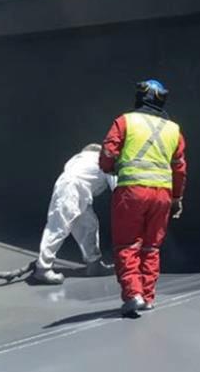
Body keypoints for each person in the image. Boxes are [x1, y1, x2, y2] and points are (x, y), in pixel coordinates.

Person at [98, 79, 186, 317]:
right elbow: (179, 168)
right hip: (162, 195)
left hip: (132, 192)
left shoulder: (125, 121)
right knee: (151, 246)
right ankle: (147, 297)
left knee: (127, 245)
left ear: (140, 97)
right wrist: (177, 198)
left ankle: (133, 294)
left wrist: (109, 167)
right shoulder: (174, 130)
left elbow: (108, 152)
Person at [28, 143, 116, 285]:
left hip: (74, 190)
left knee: (89, 225)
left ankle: (94, 263)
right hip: (72, 189)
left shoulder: (77, 160)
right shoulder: (103, 160)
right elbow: (116, 186)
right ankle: (43, 269)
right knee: (59, 227)